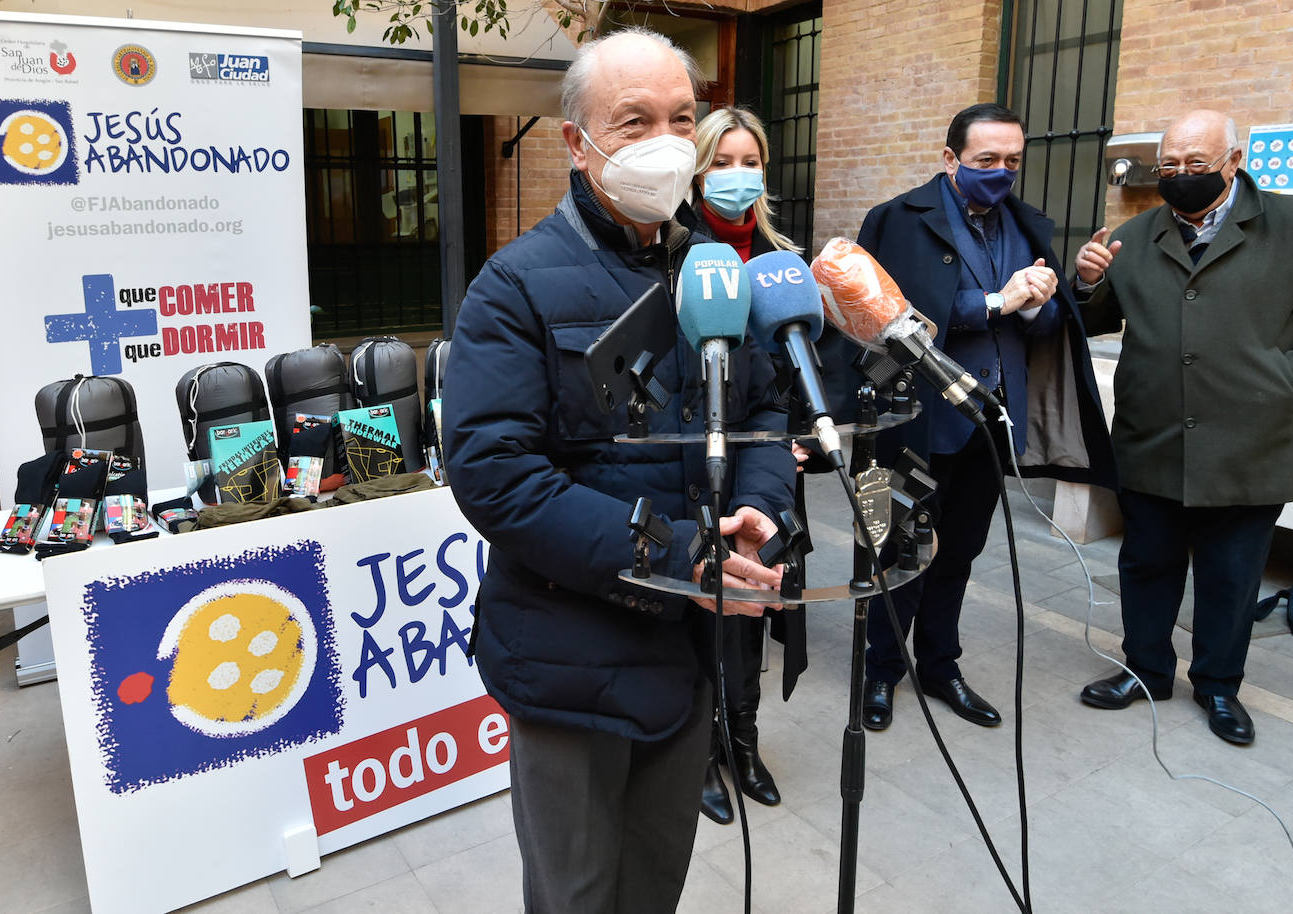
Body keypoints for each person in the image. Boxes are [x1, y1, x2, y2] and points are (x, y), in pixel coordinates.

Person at [443, 28, 796, 914]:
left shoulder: (714, 271)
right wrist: (675, 556)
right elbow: (495, 474)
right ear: (577, 140)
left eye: (683, 118)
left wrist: (759, 508)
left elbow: (761, 412)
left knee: (653, 887)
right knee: (578, 897)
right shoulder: (514, 286)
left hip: (688, 654)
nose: (667, 143)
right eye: (634, 121)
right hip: (570, 658)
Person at [1074, 109, 1293, 746]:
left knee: (1230, 576)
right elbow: (1093, 318)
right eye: (1170, 166)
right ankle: (1144, 672)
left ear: (1234, 161)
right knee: (1146, 565)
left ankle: (1219, 687)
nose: (1180, 176)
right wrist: (1087, 281)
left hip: (1249, 440)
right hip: (1152, 437)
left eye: (1196, 165)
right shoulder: (1135, 236)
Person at [855, 103, 1116, 731]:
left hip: (990, 425)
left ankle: (941, 664)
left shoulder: (1024, 228)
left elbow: (1045, 325)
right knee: (900, 547)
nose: (1001, 172)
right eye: (985, 160)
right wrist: (998, 300)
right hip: (917, 422)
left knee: (962, 549)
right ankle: (882, 672)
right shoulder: (896, 221)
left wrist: (1054, 297)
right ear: (950, 160)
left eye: (1012, 161)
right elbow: (878, 316)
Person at [687, 106, 802, 825]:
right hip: (692, 475)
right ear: (696, 170)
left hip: (764, 474)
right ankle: (698, 751)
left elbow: (796, 369)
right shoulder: (675, 256)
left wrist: (796, 438)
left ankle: (745, 740)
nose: (737, 177)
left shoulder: (779, 258)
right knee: (701, 616)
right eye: (721, 162)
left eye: (748, 161)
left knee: (752, 613)